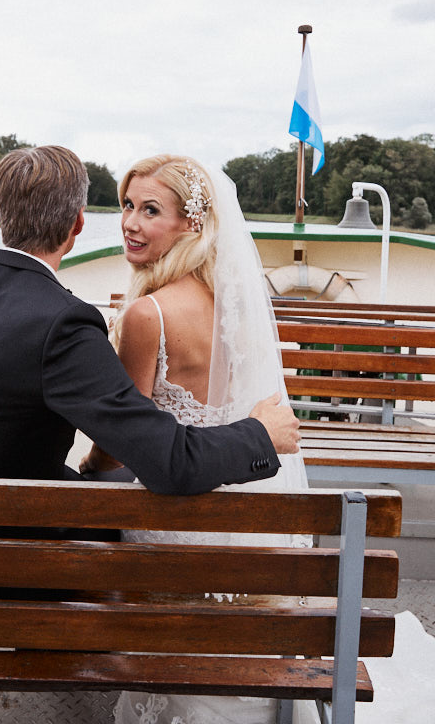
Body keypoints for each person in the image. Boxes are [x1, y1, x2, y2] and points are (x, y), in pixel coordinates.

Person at [0, 146, 300, 545]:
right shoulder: (64, 322)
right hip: (8, 559)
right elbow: (169, 463)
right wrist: (259, 434)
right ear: (78, 224)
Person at [79, 154, 309, 724]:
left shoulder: (147, 315)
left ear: (192, 225)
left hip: (175, 527)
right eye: (127, 205)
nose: (130, 222)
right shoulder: (236, 307)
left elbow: (118, 449)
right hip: (248, 522)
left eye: (151, 210)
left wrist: (84, 477)